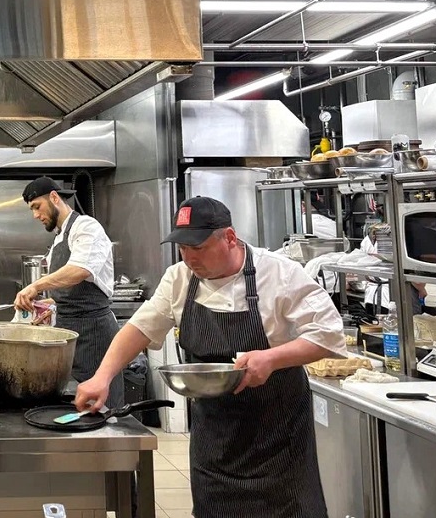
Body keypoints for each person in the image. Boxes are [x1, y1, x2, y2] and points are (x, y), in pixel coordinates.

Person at [75, 196, 346, 518]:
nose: (190, 258)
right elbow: (140, 328)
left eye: (198, 247)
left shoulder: (279, 273)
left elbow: (328, 335)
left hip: (277, 432)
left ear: (229, 237)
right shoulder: (179, 278)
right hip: (214, 434)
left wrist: (272, 358)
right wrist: (102, 377)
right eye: (182, 248)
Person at [14, 176, 123, 407]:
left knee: (100, 408)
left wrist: (36, 286)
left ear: (54, 197)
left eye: (37, 206)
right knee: (76, 404)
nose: (35, 215)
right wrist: (51, 305)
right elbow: (71, 291)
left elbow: (80, 270)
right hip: (68, 334)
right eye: (31, 209)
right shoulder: (58, 239)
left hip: (93, 334)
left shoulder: (86, 227)